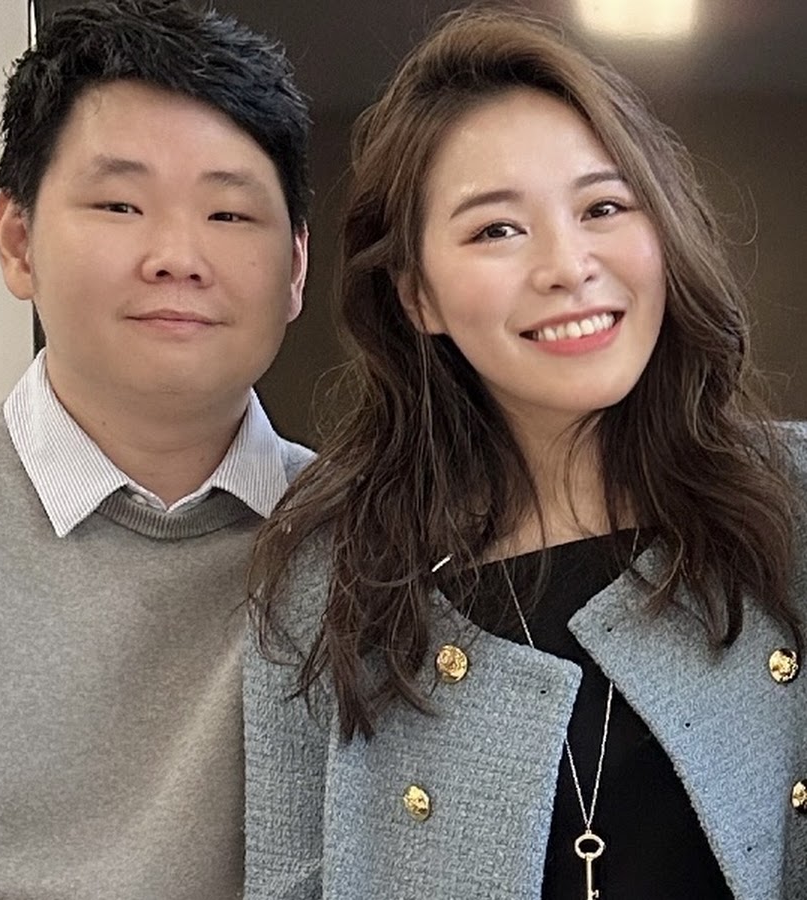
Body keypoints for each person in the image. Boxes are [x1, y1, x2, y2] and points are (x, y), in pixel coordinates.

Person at [244, 8, 807, 899]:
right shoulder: (331, 578)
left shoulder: (790, 504)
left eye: (603, 207)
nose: (567, 265)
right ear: (418, 295)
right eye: (496, 230)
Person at [0, 1, 311, 897]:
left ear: (295, 268)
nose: (177, 256)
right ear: (18, 241)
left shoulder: (373, 541)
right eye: (121, 204)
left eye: (229, 214)